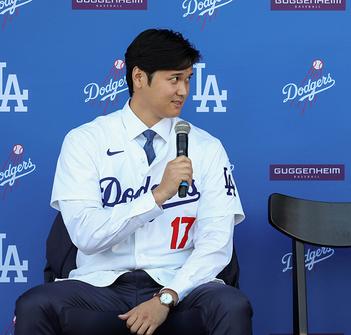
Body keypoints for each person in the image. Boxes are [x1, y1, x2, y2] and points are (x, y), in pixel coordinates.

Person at [14, 29, 252, 335]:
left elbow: (216, 246)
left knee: (231, 305)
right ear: (139, 78)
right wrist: (157, 196)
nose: (184, 90)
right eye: (174, 79)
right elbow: (86, 236)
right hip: (100, 284)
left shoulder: (206, 147)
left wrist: (166, 297)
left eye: (188, 79)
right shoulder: (85, 141)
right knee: (35, 305)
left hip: (179, 283)